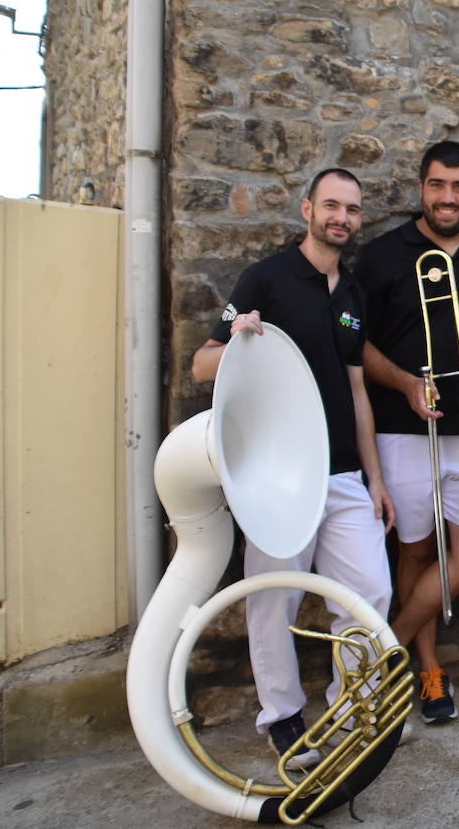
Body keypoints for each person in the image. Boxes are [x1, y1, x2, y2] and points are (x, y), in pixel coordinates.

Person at [190, 167, 399, 768]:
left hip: (342, 475)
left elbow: (358, 391)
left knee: (370, 594)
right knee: (274, 601)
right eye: (331, 206)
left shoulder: (354, 293)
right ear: (306, 210)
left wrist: (375, 479)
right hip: (278, 476)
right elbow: (203, 364)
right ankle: (281, 716)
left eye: (352, 209)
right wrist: (238, 338)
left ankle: (346, 709)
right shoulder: (268, 277)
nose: (342, 218)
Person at [354, 141, 459, 725]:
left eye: (458, 186)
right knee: (416, 550)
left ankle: (387, 647)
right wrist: (403, 382)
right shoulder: (381, 257)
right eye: (436, 185)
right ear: (421, 188)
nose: (447, 197)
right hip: (405, 432)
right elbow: (357, 345)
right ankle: (426, 669)